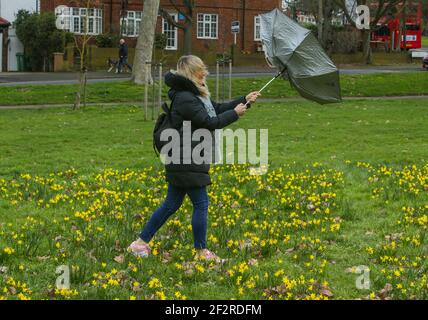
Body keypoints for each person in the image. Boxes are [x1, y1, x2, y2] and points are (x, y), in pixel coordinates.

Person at [127, 55, 260, 262]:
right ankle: (201, 252)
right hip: (186, 156)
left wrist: (245, 100)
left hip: (185, 156)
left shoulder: (195, 95)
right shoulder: (185, 98)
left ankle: (139, 243)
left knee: (171, 203)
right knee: (201, 204)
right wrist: (235, 114)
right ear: (191, 73)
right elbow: (209, 122)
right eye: (200, 71)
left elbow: (215, 109)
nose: (204, 73)